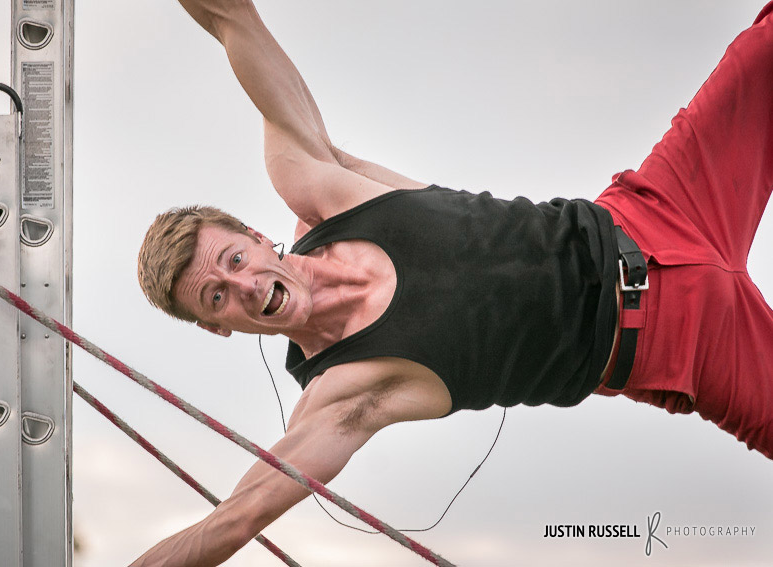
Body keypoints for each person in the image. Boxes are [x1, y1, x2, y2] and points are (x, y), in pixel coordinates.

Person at [134, 1, 773, 564]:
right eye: (216, 296)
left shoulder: (324, 188)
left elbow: (231, 17)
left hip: (659, 207)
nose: (241, 285)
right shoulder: (341, 395)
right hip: (685, 349)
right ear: (220, 325)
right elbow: (234, 520)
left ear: (252, 236)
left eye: (233, 260)